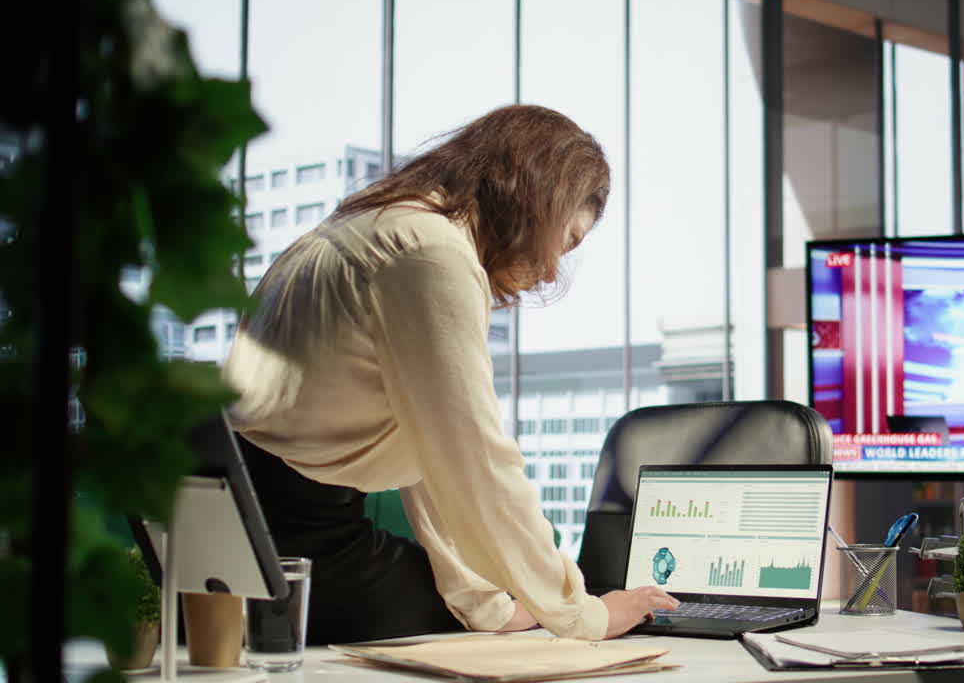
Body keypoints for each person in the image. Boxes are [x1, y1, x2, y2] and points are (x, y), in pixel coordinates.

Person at [222, 105, 678, 644]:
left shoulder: (378, 222)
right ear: (542, 197)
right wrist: (583, 615)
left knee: (495, 618)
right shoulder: (430, 254)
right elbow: (477, 460)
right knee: (498, 638)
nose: (555, 264)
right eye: (568, 238)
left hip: (233, 525)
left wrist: (487, 603)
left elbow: (431, 452)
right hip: (290, 546)